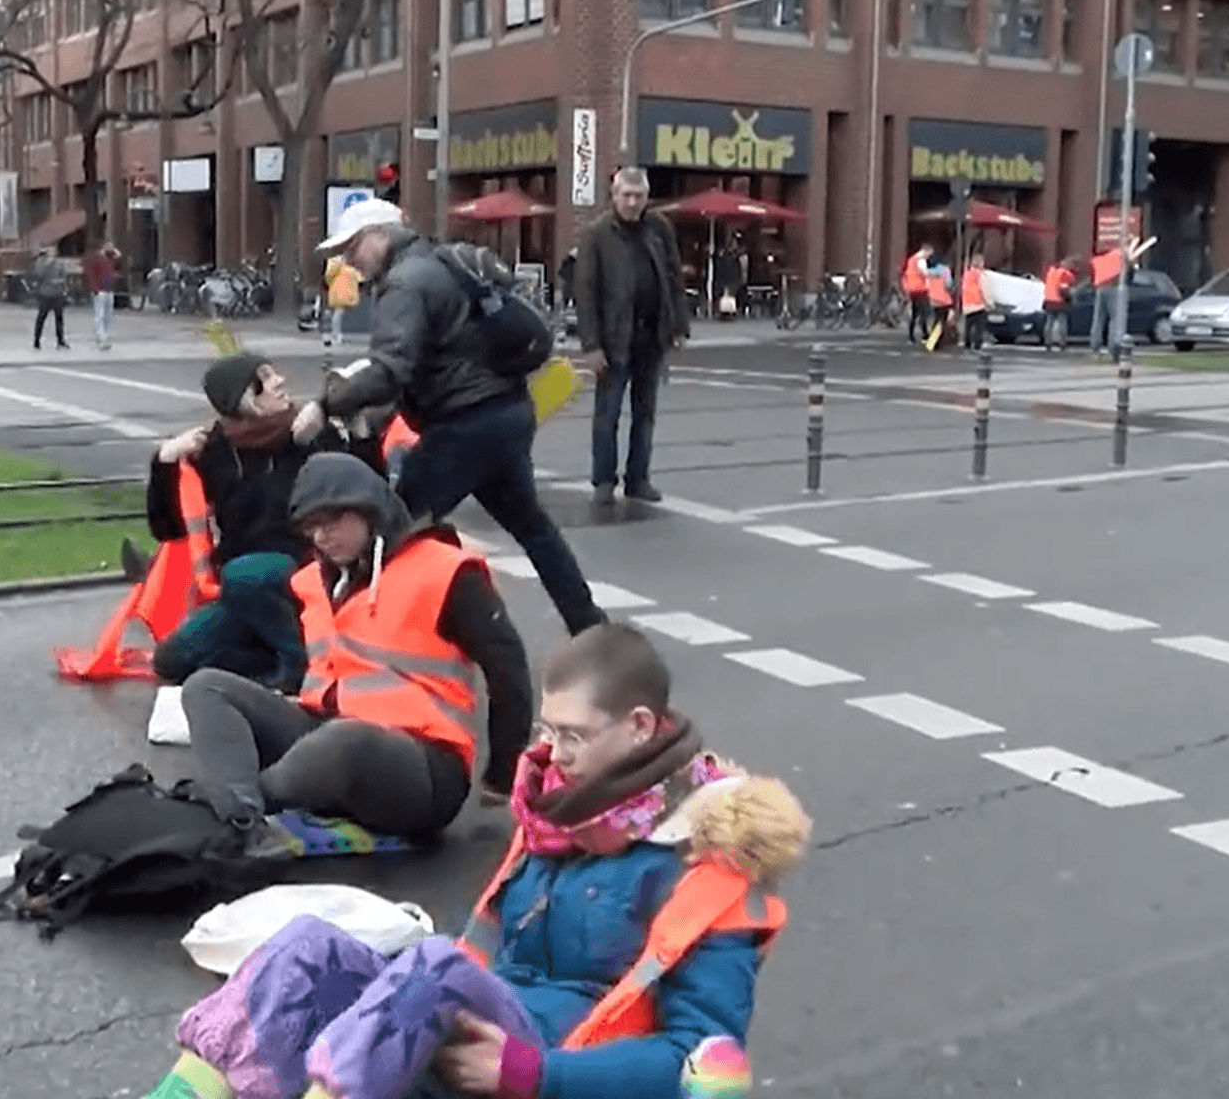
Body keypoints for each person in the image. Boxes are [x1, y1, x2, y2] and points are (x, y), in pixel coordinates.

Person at [147, 622, 809, 1099]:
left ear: (639, 726)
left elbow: (705, 1063)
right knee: (304, 949)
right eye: (547, 731)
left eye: (573, 736)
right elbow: (484, 958)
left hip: (557, 1064)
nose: (552, 754)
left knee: (430, 966)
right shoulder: (564, 815)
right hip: (474, 1032)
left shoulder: (710, 862)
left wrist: (532, 1074)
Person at [176, 452, 532, 849]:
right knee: (206, 686)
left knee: (347, 739)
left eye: (333, 519)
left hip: (423, 766)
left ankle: (229, 817)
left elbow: (509, 670)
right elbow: (320, 667)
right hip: (327, 735)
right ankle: (238, 811)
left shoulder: (445, 571)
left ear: (371, 511)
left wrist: (502, 773)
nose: (322, 536)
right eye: (312, 526)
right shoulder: (311, 581)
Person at [316, 198, 606, 638]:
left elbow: (392, 366)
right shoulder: (439, 260)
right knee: (534, 530)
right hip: (505, 413)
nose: (348, 260)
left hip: (462, 425)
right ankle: (589, 628)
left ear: (378, 235)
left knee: (390, 525)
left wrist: (325, 405)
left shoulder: (404, 284)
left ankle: (365, 634)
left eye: (352, 247)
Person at [146, 354, 383, 689]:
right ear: (241, 399)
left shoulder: (309, 432)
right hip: (243, 591)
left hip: (307, 572)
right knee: (171, 660)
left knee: (247, 574)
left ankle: (297, 666)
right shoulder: (216, 449)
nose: (280, 382)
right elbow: (168, 529)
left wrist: (357, 434)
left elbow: (370, 493)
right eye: (265, 379)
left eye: (275, 374)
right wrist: (164, 462)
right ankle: (276, 652)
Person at [573, 167, 688, 507]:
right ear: (615, 196)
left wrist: (678, 325)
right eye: (627, 195)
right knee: (607, 415)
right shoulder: (597, 234)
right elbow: (586, 292)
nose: (633, 202)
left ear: (647, 198)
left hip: (650, 336)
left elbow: (673, 276)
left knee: (645, 413)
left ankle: (638, 478)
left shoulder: (659, 228)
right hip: (613, 339)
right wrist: (591, 345)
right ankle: (604, 480)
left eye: (639, 196)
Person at [31, 245, 71, 350]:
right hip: (45, 293)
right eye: (49, 251)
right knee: (41, 318)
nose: (52, 253)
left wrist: (61, 283)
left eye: (53, 251)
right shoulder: (41, 262)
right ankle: (36, 340)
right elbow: (38, 274)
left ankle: (60, 340)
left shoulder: (60, 263)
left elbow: (65, 274)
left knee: (59, 318)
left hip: (57, 293)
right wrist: (47, 263)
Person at [84, 241, 122, 350]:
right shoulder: (97, 259)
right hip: (100, 290)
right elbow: (91, 274)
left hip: (109, 290)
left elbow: (118, 263)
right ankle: (101, 336)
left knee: (108, 315)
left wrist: (117, 254)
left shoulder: (110, 259)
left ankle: (102, 333)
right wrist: (95, 288)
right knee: (99, 314)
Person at [1040, 255, 1076, 351]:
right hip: (1060, 301)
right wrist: (1069, 299)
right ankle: (1062, 343)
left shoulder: (1050, 272)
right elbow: (1064, 288)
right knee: (1062, 323)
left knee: (1049, 322)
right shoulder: (1065, 274)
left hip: (1048, 301)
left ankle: (1047, 342)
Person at [901, 244, 932, 343]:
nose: (928, 257)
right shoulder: (921, 261)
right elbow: (925, 273)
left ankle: (911, 335)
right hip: (921, 289)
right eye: (928, 255)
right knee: (924, 313)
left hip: (912, 289)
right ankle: (925, 335)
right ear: (925, 252)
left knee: (915, 314)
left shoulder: (911, 260)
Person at [960, 249, 988, 351]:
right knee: (979, 327)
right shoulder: (980, 274)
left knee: (968, 325)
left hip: (967, 304)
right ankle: (977, 344)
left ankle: (967, 343)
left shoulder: (967, 273)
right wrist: (989, 302)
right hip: (978, 304)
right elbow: (984, 289)